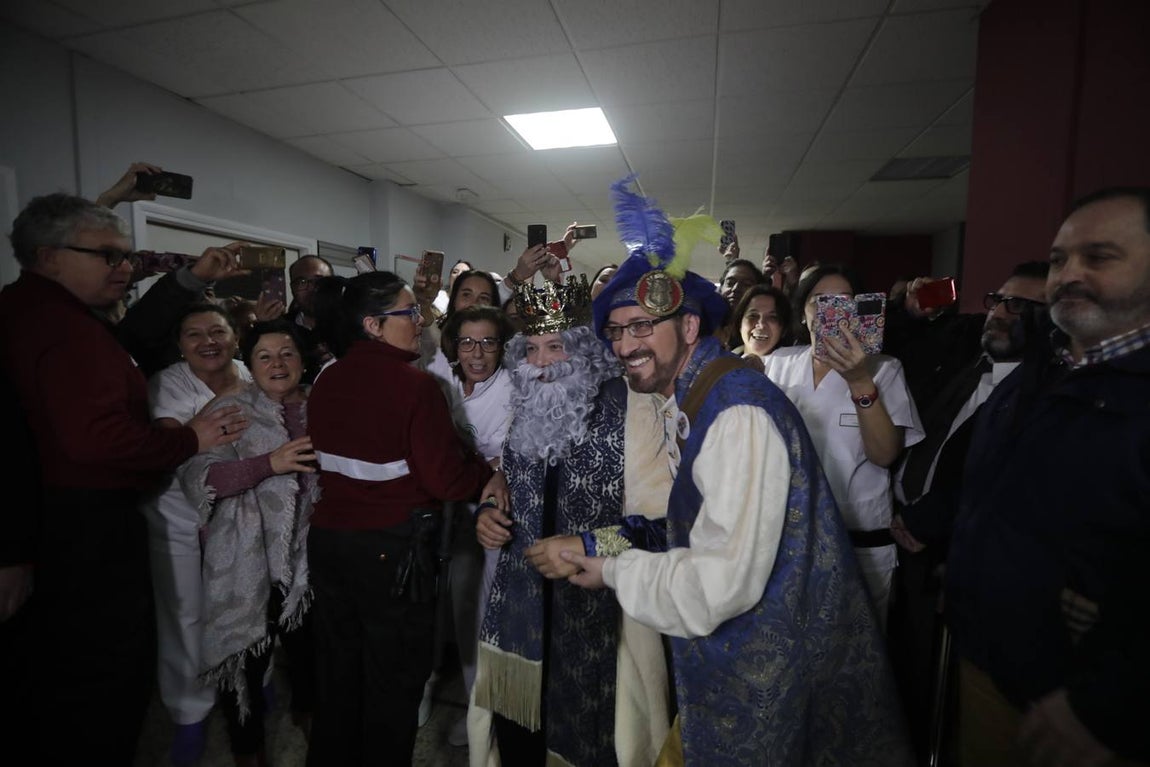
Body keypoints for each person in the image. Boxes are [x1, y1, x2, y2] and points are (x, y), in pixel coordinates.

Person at [565, 175, 912, 766]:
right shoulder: (701, 400)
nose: (625, 345)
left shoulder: (737, 415)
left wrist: (612, 572)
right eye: (617, 330)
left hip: (770, 685)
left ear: (691, 327)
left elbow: (717, 587)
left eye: (643, 325)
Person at [0, 192, 247, 762]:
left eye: (127, 257)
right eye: (108, 256)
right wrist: (189, 438)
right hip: (79, 527)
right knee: (99, 682)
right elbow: (95, 440)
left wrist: (187, 279)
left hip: (77, 521)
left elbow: (126, 341)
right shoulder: (50, 327)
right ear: (48, 255)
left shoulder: (58, 317)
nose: (124, 267)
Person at [945, 187, 1150, 766]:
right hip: (998, 668)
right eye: (1060, 259)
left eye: (1100, 257)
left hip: (1081, 716)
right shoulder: (1046, 372)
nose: (1069, 275)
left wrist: (1105, 703)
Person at [473, 274, 671, 767]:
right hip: (521, 605)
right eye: (533, 349)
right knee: (518, 736)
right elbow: (512, 479)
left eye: (556, 346)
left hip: (603, 605)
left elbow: (667, 524)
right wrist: (489, 509)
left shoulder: (637, 407)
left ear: (583, 349)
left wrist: (588, 543)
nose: (541, 364)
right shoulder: (525, 404)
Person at [305, 270, 497, 765]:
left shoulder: (327, 377)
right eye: (408, 313)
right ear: (372, 324)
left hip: (329, 544)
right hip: (391, 551)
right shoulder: (415, 387)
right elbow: (446, 481)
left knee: (338, 673)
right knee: (394, 681)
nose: (420, 322)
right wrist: (483, 470)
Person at [885, 263, 1049, 762]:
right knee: (899, 676)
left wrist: (932, 524)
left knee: (943, 694)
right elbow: (893, 353)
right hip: (900, 540)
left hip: (952, 558)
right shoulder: (963, 353)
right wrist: (906, 312)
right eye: (997, 300)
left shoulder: (1042, 394)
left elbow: (997, 478)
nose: (998, 314)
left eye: (1017, 307)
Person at [178, 319, 318, 766]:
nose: (278, 364)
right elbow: (200, 478)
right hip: (244, 560)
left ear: (302, 359)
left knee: (313, 659)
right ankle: (248, 752)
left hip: (312, 563)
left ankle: (314, 729)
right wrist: (269, 464)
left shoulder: (324, 405)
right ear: (249, 364)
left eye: (287, 353)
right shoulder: (229, 408)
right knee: (245, 665)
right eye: (265, 356)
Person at [761, 264, 924, 628]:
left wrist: (858, 380)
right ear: (803, 313)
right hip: (789, 542)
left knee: (857, 660)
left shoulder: (883, 369)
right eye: (821, 301)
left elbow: (884, 454)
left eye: (845, 302)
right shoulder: (779, 364)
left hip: (861, 543)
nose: (833, 310)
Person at [143, 303, 254, 766]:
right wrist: (229, 406)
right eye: (194, 335)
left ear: (235, 338)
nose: (208, 342)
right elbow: (179, 443)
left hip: (239, 509)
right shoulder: (169, 383)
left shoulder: (250, 370)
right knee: (185, 611)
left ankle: (252, 685)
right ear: (180, 345)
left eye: (217, 331)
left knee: (243, 598)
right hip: (178, 513)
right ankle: (190, 713)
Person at [436, 305, 516, 746]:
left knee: (485, 613)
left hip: (490, 510)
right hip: (447, 508)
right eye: (467, 341)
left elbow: (516, 449)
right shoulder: (442, 380)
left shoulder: (512, 388)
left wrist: (495, 467)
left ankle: (490, 715)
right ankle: (475, 707)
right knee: (460, 612)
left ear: (503, 346)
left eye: (488, 342)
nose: (477, 352)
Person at [286, 254, 334, 383]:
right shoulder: (281, 329)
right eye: (302, 282)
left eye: (320, 281)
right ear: (292, 289)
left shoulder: (354, 326)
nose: (312, 289)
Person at [726, 284, 793, 355]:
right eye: (753, 316)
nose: (761, 324)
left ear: (784, 330)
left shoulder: (796, 363)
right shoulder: (721, 361)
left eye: (772, 317)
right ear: (740, 324)